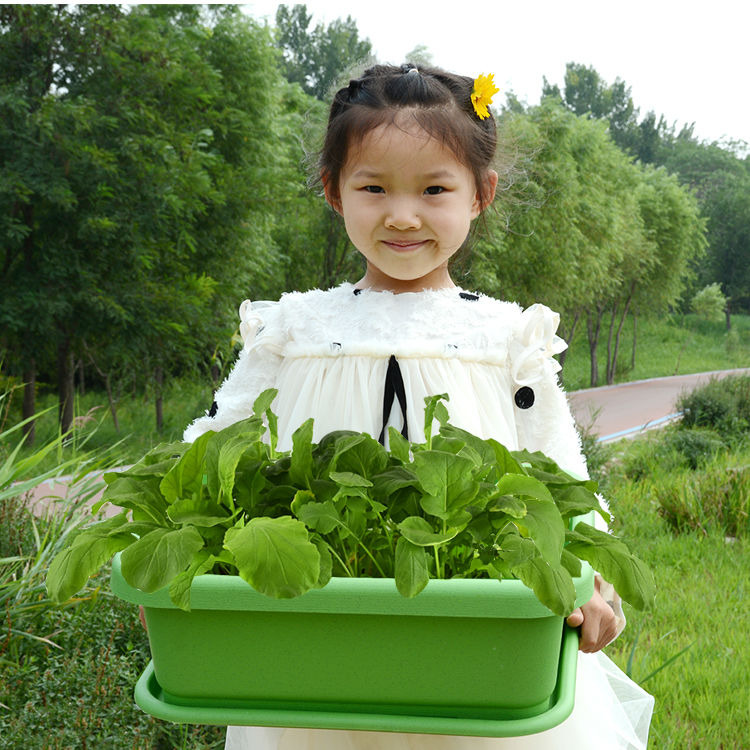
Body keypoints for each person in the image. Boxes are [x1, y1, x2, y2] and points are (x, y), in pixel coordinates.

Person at [183, 63, 654, 750]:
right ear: (334, 192)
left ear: (479, 195)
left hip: (481, 638)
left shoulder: (506, 339)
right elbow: (213, 450)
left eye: (435, 189)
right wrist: (168, 560)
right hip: (318, 634)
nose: (402, 215)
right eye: (373, 187)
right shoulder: (292, 331)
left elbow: (558, 474)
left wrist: (592, 579)